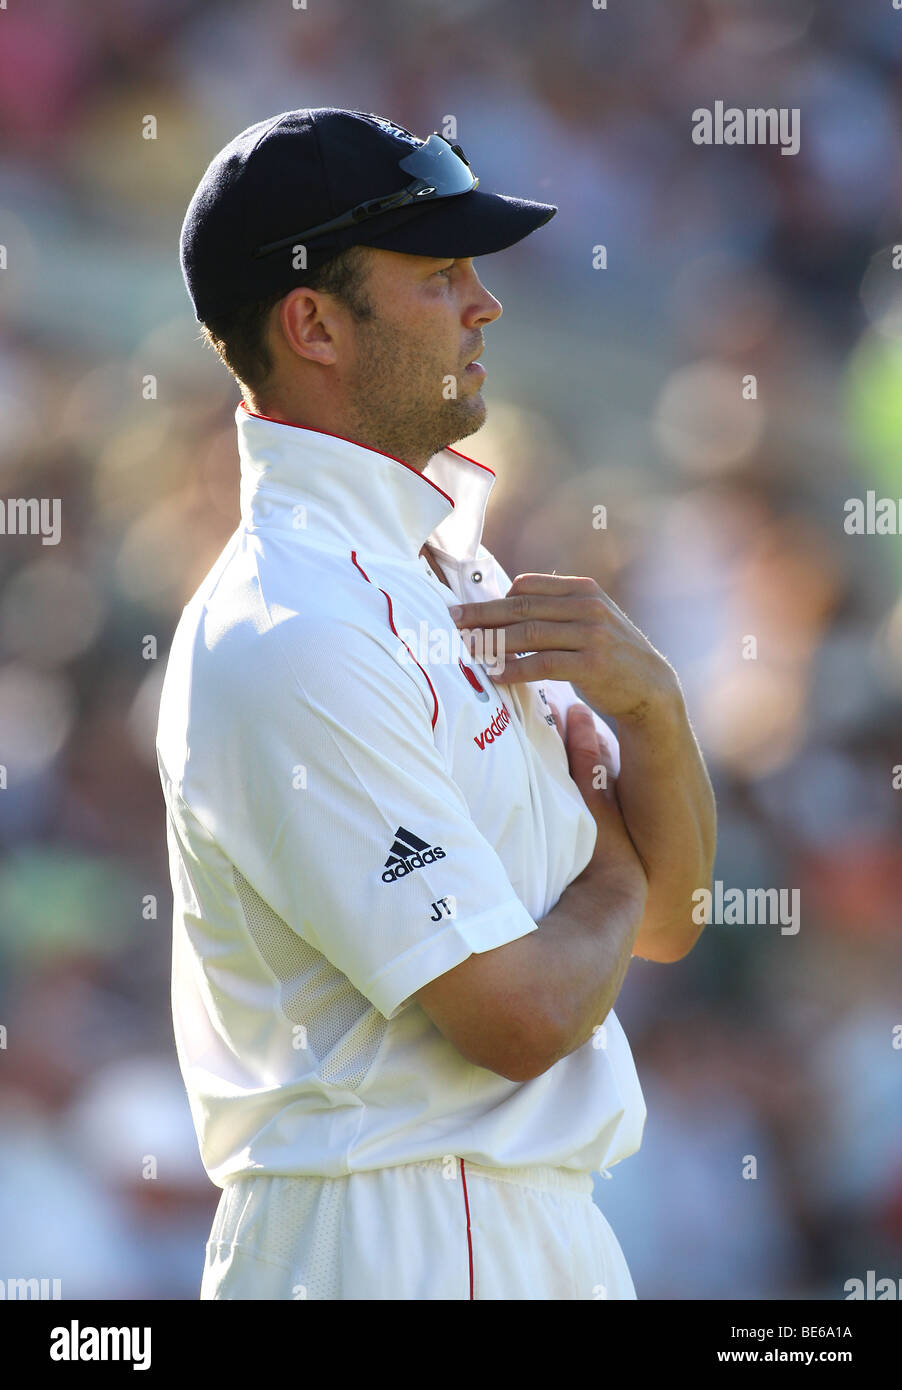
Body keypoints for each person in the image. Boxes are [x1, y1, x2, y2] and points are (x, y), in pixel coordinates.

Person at [157, 107, 716, 1300]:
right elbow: (519, 1017)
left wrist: (657, 712)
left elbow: (671, 920)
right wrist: (613, 865)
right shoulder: (290, 626)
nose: (485, 305)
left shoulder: (451, 567)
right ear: (312, 322)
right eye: (439, 275)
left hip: (528, 1224)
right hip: (383, 1241)